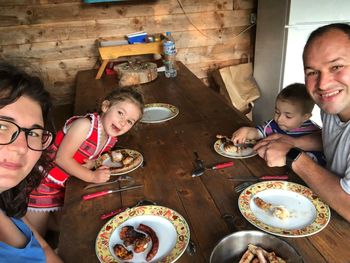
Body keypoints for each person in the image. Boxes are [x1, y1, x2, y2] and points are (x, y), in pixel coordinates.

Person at [253, 23, 350, 222]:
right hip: (324, 208)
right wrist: (291, 141)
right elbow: (334, 140)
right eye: (312, 72)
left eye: (337, 66)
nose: (323, 84)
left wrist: (294, 157)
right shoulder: (332, 107)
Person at [26, 87, 144, 236]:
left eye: (129, 121)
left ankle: (37, 220)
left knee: (65, 224)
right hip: (42, 182)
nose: (122, 122)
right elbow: (61, 158)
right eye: (120, 113)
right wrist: (92, 176)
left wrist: (94, 164)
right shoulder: (85, 125)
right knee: (36, 236)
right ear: (105, 106)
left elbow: (91, 155)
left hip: (63, 185)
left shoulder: (110, 137)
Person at [0, 62, 63, 262]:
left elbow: (43, 247)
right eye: (2, 126)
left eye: (34, 133)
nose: (22, 147)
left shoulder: (7, 198)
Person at [231, 83, 325, 166]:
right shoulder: (273, 125)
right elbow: (257, 133)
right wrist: (246, 131)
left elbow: (318, 162)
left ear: (305, 117)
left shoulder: (315, 133)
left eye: (288, 116)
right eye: (277, 112)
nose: (279, 119)